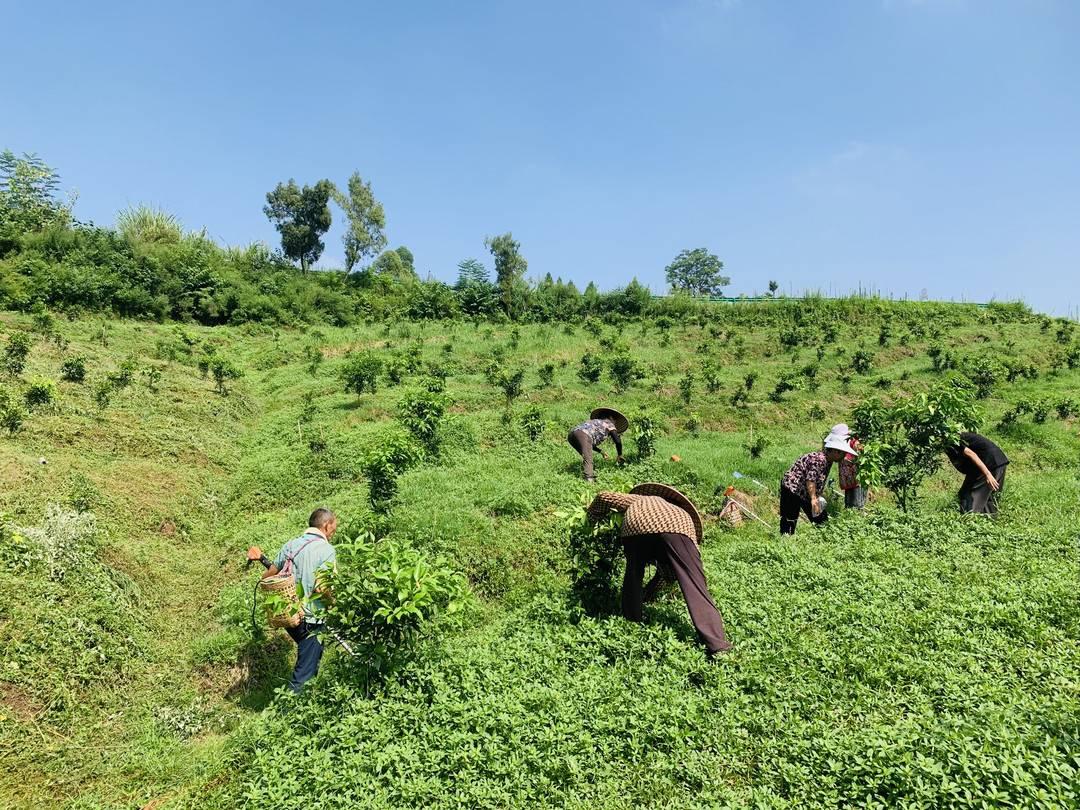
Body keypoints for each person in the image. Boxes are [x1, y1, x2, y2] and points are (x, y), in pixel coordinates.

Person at [586, 482, 732, 656]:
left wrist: (590, 519)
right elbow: (672, 574)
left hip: (635, 527)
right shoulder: (678, 512)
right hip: (677, 530)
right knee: (695, 585)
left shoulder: (639, 499)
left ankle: (632, 622)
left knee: (633, 576)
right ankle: (718, 645)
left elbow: (604, 496)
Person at [247, 507, 339, 692]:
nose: (332, 535)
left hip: (289, 615)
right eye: (333, 530)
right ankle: (290, 712)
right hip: (310, 618)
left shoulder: (291, 545)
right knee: (305, 673)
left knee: (310, 657)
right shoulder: (326, 550)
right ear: (326, 526)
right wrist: (334, 605)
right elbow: (322, 587)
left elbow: (270, 575)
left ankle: (304, 701)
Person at [779, 433, 855, 534]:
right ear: (835, 451)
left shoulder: (828, 459)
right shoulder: (819, 459)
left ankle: (825, 538)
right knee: (790, 519)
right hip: (792, 489)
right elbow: (811, 480)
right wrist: (814, 499)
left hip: (805, 492)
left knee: (821, 520)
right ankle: (785, 541)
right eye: (843, 453)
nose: (844, 456)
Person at [944, 432, 1008, 515]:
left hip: (989, 463)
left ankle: (969, 521)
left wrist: (987, 474)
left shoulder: (950, 439)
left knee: (969, 494)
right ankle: (989, 522)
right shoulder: (955, 435)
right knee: (988, 497)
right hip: (998, 460)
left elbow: (971, 453)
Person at [568, 407, 628, 481]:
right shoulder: (609, 423)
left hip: (572, 435)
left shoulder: (596, 422)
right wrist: (620, 455)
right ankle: (589, 480)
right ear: (611, 417)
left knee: (587, 456)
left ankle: (589, 473)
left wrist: (601, 451)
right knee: (588, 458)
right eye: (615, 420)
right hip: (583, 435)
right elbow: (617, 441)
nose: (615, 423)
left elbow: (588, 444)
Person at [831, 423, 866, 509]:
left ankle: (856, 516)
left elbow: (861, 449)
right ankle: (849, 515)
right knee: (849, 501)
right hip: (846, 477)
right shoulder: (840, 443)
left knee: (856, 502)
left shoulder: (852, 441)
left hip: (854, 476)